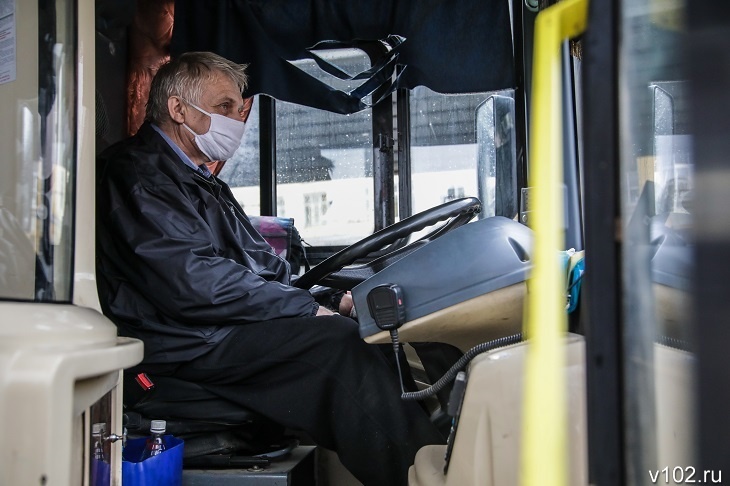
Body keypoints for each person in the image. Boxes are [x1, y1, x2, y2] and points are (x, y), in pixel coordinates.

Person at [95, 51, 444, 485]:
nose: (235, 122)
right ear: (178, 109)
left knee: (378, 323)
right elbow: (194, 283)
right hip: (184, 344)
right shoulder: (138, 175)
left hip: (214, 329)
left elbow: (262, 267)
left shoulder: (200, 179)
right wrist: (307, 310)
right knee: (337, 345)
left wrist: (330, 298)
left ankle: (442, 448)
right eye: (224, 107)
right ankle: (423, 476)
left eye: (238, 111)